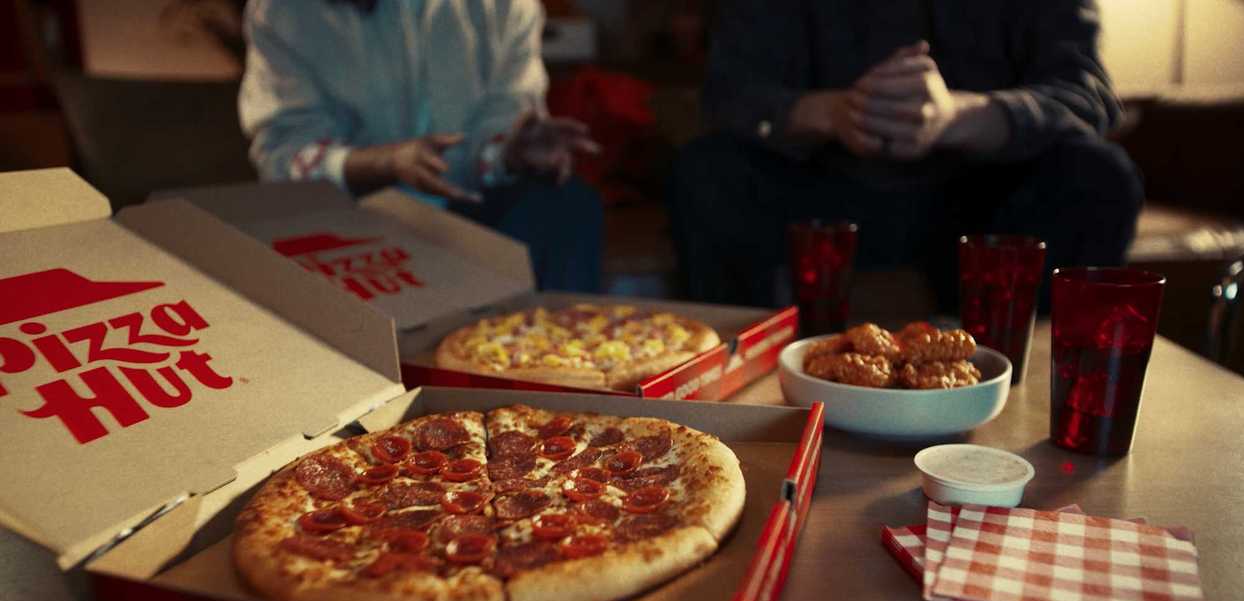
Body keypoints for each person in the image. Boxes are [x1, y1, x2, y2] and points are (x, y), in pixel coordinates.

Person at [671, 0, 1143, 311]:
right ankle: (737, 391)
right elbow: (727, 94)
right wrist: (834, 113)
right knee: (705, 171)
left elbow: (1087, 98)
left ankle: (1024, 387)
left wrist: (957, 117)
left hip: (987, 206)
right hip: (820, 197)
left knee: (1100, 176)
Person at [239, 0, 604, 292]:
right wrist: (386, 164)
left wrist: (512, 151)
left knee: (565, 205)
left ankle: (555, 361)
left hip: (476, 209)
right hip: (357, 214)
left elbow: (500, 123)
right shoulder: (281, 12)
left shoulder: (506, 7)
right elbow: (283, 155)